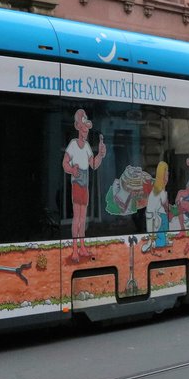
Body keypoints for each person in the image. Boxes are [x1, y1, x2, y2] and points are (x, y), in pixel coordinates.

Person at [63, 109, 107, 264]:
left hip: (85, 180)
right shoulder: (73, 145)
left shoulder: (87, 146)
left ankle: (82, 246)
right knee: (77, 217)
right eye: (83, 128)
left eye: (87, 129)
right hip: (77, 181)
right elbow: (65, 163)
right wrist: (72, 170)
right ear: (78, 127)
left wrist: (100, 155)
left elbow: (93, 165)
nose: (86, 131)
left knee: (83, 217)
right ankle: (75, 249)